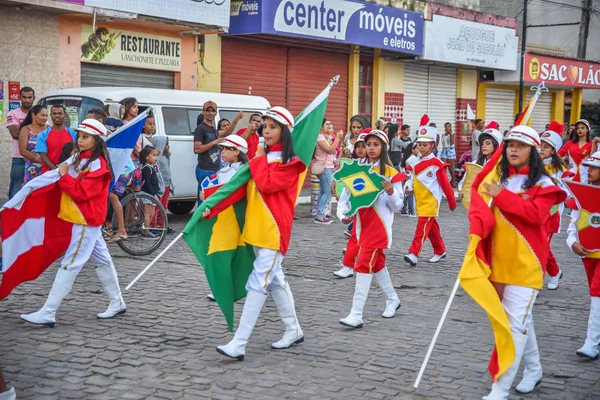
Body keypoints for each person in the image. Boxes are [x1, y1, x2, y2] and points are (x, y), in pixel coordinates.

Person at [204, 107, 305, 361]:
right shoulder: (262, 160)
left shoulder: (292, 164)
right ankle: (293, 330)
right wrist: (210, 209)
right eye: (266, 127)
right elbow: (238, 191)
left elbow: (268, 185)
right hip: (256, 229)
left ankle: (239, 343)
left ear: (285, 132)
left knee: (258, 281)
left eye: (273, 127)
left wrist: (258, 158)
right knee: (276, 280)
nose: (267, 132)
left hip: (274, 232)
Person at [479, 125, 566, 398]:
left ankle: (499, 389)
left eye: (521, 145)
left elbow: (535, 216)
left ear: (534, 151)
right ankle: (534, 370)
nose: (513, 149)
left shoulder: (545, 184)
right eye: (510, 144)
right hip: (498, 263)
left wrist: (499, 196)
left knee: (513, 325)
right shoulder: (499, 179)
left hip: (527, 264)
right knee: (518, 320)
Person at [20, 119, 126, 327]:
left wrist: (62, 174)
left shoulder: (98, 164)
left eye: (86, 137)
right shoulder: (82, 157)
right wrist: (65, 168)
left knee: (70, 263)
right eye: (79, 136)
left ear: (97, 140)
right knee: (103, 260)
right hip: (85, 218)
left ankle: (48, 312)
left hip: (86, 219)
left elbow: (80, 192)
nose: (80, 140)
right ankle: (117, 302)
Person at [337, 130, 405, 328]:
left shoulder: (393, 174)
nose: (371, 148)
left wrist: (391, 191)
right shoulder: (359, 171)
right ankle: (393, 299)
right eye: (368, 145)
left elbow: (398, 206)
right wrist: (344, 215)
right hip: (361, 227)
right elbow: (346, 198)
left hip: (380, 228)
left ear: (384, 147)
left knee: (363, 264)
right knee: (377, 265)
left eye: (376, 144)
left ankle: (356, 314)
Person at [201, 135, 250, 301]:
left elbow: (228, 194)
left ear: (236, 151)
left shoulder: (239, 172)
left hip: (231, 218)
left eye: (226, 149)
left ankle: (223, 289)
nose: (221, 152)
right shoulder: (228, 170)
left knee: (223, 254)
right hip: (227, 218)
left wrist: (209, 195)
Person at [404, 115, 456, 267]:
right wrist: (408, 187)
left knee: (422, 227)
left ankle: (414, 253)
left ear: (432, 145)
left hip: (431, 201)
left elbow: (445, 184)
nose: (421, 147)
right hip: (420, 200)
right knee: (431, 228)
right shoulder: (414, 162)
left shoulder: (437, 163)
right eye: (419, 144)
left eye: (425, 145)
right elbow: (411, 179)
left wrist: (452, 202)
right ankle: (440, 251)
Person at [567, 151, 600, 359]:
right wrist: (573, 243)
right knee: (595, 293)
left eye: (594, 167)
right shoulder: (582, 194)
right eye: (588, 166)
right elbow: (574, 225)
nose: (589, 170)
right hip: (588, 253)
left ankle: (592, 342)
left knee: (597, 291)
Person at [539, 122, 571, 291]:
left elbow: (565, 192)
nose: (542, 149)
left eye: (546, 147)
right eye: (541, 146)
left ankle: (535, 283)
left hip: (550, 215)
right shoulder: (533, 164)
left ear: (553, 150)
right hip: (534, 212)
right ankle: (555, 271)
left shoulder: (560, 169)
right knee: (537, 245)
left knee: (541, 247)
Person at [333, 132, 368, 279]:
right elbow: (348, 189)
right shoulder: (354, 165)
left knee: (373, 246)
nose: (360, 149)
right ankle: (349, 265)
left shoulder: (379, 167)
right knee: (355, 236)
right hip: (360, 210)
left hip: (377, 214)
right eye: (357, 146)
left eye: (364, 146)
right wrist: (346, 210)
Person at [457, 128, 503, 202]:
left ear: (496, 146)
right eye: (482, 144)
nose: (484, 146)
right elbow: (466, 181)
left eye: (488, 143)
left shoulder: (502, 165)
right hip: (478, 204)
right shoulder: (475, 164)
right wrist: (461, 191)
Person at [6, 86, 35, 199]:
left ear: (34, 98)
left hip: (35, 159)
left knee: (32, 193)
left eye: (29, 97)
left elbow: (44, 134)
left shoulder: (38, 114)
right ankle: (10, 216)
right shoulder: (13, 114)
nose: (27, 100)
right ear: (20, 98)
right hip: (19, 159)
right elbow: (15, 134)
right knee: (15, 191)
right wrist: (35, 136)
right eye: (24, 97)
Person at [194, 101, 224, 205]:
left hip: (215, 168)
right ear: (203, 112)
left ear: (216, 112)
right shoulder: (200, 129)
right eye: (208, 110)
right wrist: (215, 142)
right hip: (205, 170)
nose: (210, 113)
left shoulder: (213, 129)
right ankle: (200, 221)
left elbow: (213, 147)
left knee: (213, 202)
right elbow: (196, 149)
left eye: (212, 110)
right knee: (204, 202)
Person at [313, 121, 343, 224]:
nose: (328, 127)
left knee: (323, 191)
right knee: (328, 191)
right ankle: (320, 215)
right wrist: (338, 138)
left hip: (327, 166)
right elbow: (330, 150)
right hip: (324, 167)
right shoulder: (320, 137)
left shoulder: (323, 137)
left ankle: (320, 213)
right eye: (326, 125)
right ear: (321, 126)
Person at [36, 105, 77, 173]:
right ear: (51, 116)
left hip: (68, 173)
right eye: (54, 113)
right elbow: (43, 155)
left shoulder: (73, 134)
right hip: (48, 174)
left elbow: (75, 155)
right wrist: (56, 170)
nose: (57, 116)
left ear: (65, 115)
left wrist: (63, 170)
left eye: (60, 113)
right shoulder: (42, 135)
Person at [151, 136, 175, 235]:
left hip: (167, 184)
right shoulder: (157, 160)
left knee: (164, 206)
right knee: (157, 206)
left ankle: (162, 224)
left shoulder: (165, 156)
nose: (167, 146)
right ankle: (153, 225)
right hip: (160, 186)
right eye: (165, 144)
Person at [19, 105, 48, 184]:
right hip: (31, 168)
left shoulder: (49, 130)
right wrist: (37, 158)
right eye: (42, 115)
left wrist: (47, 161)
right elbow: (23, 151)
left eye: (46, 116)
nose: (45, 118)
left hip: (47, 167)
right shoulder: (26, 129)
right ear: (33, 115)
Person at [139, 146, 161, 241]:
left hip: (151, 194)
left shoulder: (151, 167)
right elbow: (147, 182)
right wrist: (151, 193)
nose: (156, 158)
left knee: (151, 212)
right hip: (147, 193)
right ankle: (145, 233)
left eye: (156, 156)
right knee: (148, 213)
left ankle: (146, 229)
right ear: (147, 157)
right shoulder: (146, 168)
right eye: (154, 155)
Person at [400, 143, 419, 216]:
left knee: (406, 194)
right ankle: (411, 211)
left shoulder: (407, 158)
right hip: (411, 177)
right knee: (410, 194)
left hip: (406, 177)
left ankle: (404, 210)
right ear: (412, 149)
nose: (418, 150)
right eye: (417, 149)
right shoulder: (413, 159)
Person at [440, 122, 457, 186]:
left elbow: (452, 142)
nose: (447, 128)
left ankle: (453, 180)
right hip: (444, 150)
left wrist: (450, 133)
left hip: (451, 151)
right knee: (444, 167)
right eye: (446, 126)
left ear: (450, 127)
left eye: (449, 126)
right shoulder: (443, 135)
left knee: (450, 168)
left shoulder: (453, 134)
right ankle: (445, 181)